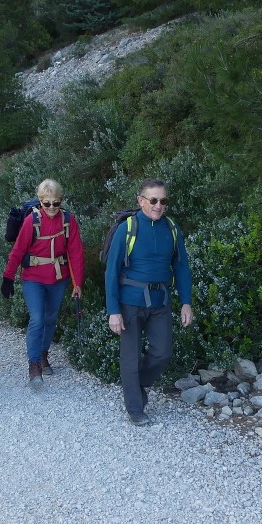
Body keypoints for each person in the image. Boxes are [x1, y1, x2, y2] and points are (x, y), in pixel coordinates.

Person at [104, 178, 193, 425]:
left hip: (160, 301)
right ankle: (135, 409)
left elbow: (181, 267)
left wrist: (186, 302)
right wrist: (113, 310)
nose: (158, 206)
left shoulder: (172, 229)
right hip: (130, 302)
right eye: (153, 200)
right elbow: (111, 272)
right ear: (141, 200)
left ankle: (138, 383)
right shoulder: (128, 228)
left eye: (163, 201)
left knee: (162, 352)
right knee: (130, 357)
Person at [1, 179, 84, 386]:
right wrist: (8, 277)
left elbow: (75, 253)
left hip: (58, 278)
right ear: (40, 202)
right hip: (33, 278)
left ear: (61, 201)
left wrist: (77, 283)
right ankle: (34, 364)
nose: (52, 208)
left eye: (56, 203)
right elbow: (18, 250)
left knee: (50, 318)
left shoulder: (68, 220)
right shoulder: (32, 221)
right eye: (47, 204)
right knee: (37, 318)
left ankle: (44, 354)